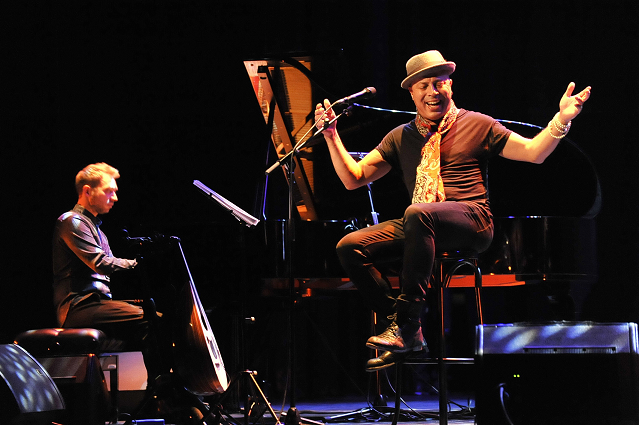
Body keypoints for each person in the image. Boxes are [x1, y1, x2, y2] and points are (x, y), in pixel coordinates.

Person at [314, 50, 591, 370]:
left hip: (472, 220)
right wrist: (332, 136)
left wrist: (561, 120)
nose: (433, 91)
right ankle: (408, 329)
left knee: (417, 213)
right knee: (349, 246)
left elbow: (534, 153)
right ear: (412, 93)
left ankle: (404, 324)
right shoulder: (400, 137)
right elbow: (354, 178)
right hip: (423, 223)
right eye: (425, 85)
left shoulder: (477, 124)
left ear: (451, 87)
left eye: (440, 83)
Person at [52, 162, 166, 383]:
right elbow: (100, 263)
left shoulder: (98, 230)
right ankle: (165, 395)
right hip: (79, 307)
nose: (114, 198)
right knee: (154, 320)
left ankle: (161, 392)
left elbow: (109, 267)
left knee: (156, 321)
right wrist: (137, 264)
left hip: (97, 304)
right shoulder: (71, 222)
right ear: (87, 191)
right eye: (109, 191)